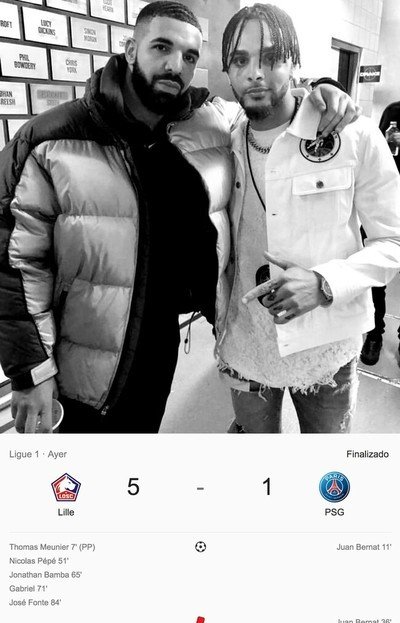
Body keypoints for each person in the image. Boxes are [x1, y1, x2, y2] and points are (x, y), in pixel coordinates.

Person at [0, 1, 359, 434]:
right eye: (161, 48)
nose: (176, 65)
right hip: (82, 356)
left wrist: (323, 91)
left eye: (189, 56)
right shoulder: (50, 140)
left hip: (160, 342)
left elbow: (274, 107)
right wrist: (31, 370)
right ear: (130, 49)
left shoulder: (210, 120)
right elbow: (15, 262)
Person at [215, 3, 400, 433]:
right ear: (227, 70)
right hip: (245, 342)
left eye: (271, 58)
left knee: (325, 463)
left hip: (324, 344)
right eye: (240, 60)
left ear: (295, 63)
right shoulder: (223, 134)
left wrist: (325, 283)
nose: (255, 73)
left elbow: (394, 240)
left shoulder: (351, 134)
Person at [360, 101, 400, 366]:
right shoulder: (394, 112)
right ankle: (374, 334)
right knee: (377, 278)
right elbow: (376, 162)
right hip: (384, 210)